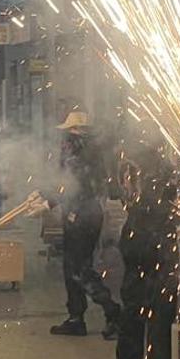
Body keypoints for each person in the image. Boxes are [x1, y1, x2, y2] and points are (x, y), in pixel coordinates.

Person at [112, 140, 180, 359]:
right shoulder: (160, 167)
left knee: (132, 306)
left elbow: (116, 194)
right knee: (160, 312)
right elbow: (166, 206)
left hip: (131, 239)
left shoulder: (126, 164)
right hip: (156, 243)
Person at [48, 109, 122, 339]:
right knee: (73, 268)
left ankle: (112, 312)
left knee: (79, 270)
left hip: (80, 215)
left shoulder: (76, 153)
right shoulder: (95, 151)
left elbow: (72, 185)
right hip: (89, 214)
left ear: (75, 131)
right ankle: (76, 318)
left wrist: (51, 198)